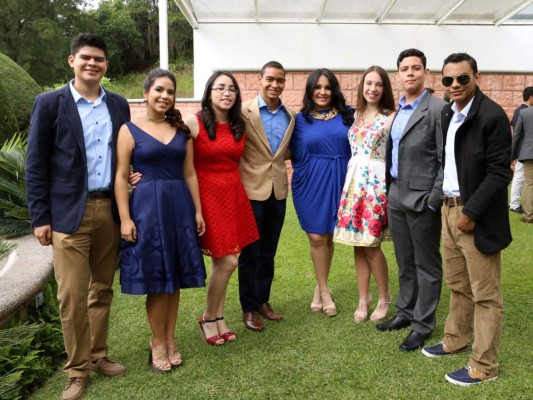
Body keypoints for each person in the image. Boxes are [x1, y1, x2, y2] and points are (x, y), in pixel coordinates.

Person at [25, 33, 130, 400]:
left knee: (101, 289)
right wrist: (40, 217)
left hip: (109, 211)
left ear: (106, 65)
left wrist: (132, 175)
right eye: (85, 57)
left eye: (99, 59)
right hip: (68, 214)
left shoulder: (118, 105)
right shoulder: (50, 103)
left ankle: (99, 356)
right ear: (71, 61)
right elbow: (35, 163)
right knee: (71, 296)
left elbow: (124, 154)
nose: (92, 64)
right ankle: (76, 371)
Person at [422, 52, 512, 387]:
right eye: (448, 80)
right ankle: (455, 339)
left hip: (474, 214)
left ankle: (484, 366)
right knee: (458, 285)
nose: (455, 84)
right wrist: (446, 208)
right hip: (448, 210)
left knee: (486, 294)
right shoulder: (449, 113)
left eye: (462, 78)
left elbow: (500, 170)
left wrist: (471, 211)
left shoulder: (491, 115)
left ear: (476, 76)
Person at [114, 69, 206, 373]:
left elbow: (190, 173)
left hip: (179, 206)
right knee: (157, 280)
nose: (165, 96)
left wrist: (197, 211)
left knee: (175, 278)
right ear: (146, 93)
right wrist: (125, 218)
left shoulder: (181, 131)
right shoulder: (129, 130)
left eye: (170, 91)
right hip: (147, 210)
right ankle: (157, 341)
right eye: (159, 90)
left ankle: (170, 338)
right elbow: (119, 177)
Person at [378, 49, 446, 352]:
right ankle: (405, 313)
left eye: (415, 68)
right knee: (405, 262)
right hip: (395, 194)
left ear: (426, 73)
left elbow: (447, 160)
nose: (409, 73)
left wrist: (434, 199)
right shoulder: (398, 110)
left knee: (426, 265)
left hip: (422, 200)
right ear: (397, 76)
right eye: (404, 69)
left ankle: (422, 324)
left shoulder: (438, 109)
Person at [186, 71, 260, 344]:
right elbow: (170, 154)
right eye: (220, 88)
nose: (227, 93)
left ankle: (216, 316)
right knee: (229, 261)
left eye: (231, 89)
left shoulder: (239, 125)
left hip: (233, 194)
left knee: (224, 261)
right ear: (209, 93)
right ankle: (208, 316)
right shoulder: (193, 122)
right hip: (206, 195)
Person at [333, 66, 395, 323]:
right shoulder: (355, 115)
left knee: (371, 244)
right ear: (362, 86)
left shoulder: (391, 116)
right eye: (368, 83)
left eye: (378, 84)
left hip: (376, 184)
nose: (372, 89)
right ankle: (363, 298)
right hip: (354, 182)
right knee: (357, 245)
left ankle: (384, 298)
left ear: (385, 88)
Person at [290, 68, 354, 317]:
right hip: (310, 181)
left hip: (340, 178)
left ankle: (320, 286)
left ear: (334, 90)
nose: (323, 92)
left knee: (328, 236)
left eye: (327, 87)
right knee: (316, 237)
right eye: (317, 87)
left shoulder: (349, 115)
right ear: (310, 90)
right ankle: (326, 291)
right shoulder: (299, 120)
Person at [238, 61, 296, 331]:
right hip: (250, 190)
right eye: (270, 79)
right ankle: (248, 308)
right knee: (250, 252)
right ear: (259, 79)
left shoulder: (290, 115)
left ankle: (263, 300)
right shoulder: (243, 112)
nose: (275, 84)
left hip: (279, 190)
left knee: (269, 251)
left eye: (280, 80)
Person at [509, 86, 533, 214]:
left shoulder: (522, 112)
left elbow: (516, 134)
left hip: (525, 152)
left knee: (527, 182)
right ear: (531, 97)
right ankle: (514, 204)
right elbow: (516, 133)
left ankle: (524, 209)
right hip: (523, 152)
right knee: (520, 178)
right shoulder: (522, 111)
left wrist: (512, 154)